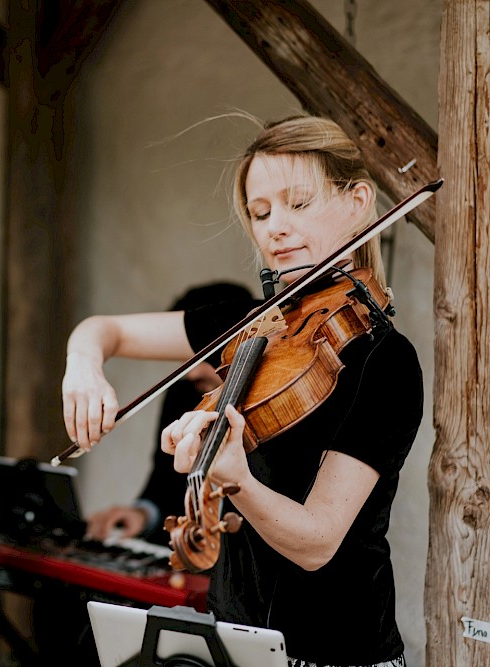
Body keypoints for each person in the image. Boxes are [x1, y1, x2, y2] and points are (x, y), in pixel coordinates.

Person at [62, 116, 420, 667]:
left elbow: (318, 542)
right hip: (233, 639)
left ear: (357, 202)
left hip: (334, 652)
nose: (275, 226)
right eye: (260, 212)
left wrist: (237, 481)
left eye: (297, 203)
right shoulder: (248, 325)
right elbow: (105, 330)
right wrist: (84, 364)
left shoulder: (384, 361)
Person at [84, 282, 256, 542]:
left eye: (208, 357)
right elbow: (163, 484)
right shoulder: (184, 394)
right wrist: (142, 514)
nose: (192, 373)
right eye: (187, 359)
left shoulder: (269, 399)